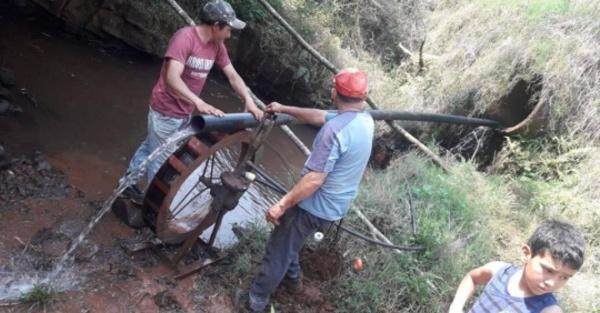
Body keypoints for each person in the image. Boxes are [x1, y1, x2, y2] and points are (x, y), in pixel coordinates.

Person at [235, 68, 375, 312]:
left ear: (334, 92)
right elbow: (318, 116)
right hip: (335, 207)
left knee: (279, 249)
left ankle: (254, 301)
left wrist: (282, 204)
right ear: (363, 97)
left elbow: (313, 180)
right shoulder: (364, 120)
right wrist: (284, 108)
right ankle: (293, 281)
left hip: (313, 205)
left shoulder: (334, 132)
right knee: (292, 242)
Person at [118, 0, 263, 204]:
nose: (229, 35)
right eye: (228, 29)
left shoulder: (217, 46)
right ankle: (153, 205)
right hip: (166, 109)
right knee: (162, 160)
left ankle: (127, 183)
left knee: (152, 146)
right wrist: (199, 103)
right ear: (216, 26)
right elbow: (172, 77)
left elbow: (232, 75)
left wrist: (248, 99)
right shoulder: (184, 38)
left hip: (183, 110)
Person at [449, 220, 586, 313]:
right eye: (548, 270)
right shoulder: (499, 271)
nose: (552, 283)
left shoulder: (548, 310)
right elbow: (472, 278)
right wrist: (456, 307)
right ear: (527, 254)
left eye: (564, 277)